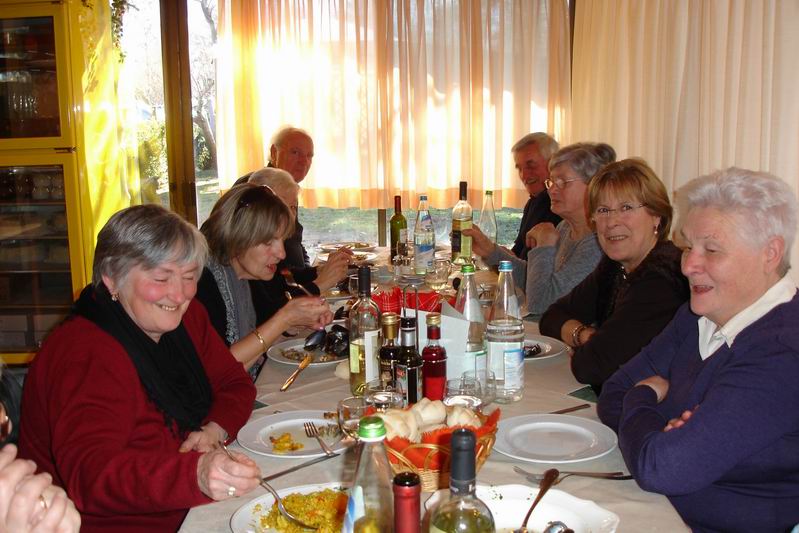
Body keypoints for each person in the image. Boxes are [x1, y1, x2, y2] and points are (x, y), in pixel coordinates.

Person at [18, 205, 261, 531]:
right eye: (161, 278)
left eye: (189, 276)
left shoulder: (188, 318)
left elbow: (235, 383)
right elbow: (91, 476)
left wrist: (214, 430)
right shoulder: (85, 352)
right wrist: (196, 474)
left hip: (188, 506)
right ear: (112, 279)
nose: (179, 294)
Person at [597, 168, 799, 532]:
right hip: (654, 508)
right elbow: (612, 394)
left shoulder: (783, 352)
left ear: (770, 253)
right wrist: (665, 434)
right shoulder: (698, 316)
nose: (688, 265)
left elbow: (664, 468)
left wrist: (643, 397)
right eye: (688, 246)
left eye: (712, 250)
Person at [539, 159, 688, 393]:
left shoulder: (663, 278)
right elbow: (551, 317)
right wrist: (583, 335)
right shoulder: (614, 266)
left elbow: (591, 366)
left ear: (656, 216)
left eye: (626, 208)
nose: (611, 222)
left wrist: (586, 343)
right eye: (603, 210)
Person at [197, 183, 333, 379]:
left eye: (282, 240)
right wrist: (283, 319)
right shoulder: (202, 283)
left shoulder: (240, 276)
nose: (281, 253)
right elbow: (218, 372)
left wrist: (289, 326)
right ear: (237, 236)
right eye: (268, 242)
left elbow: (247, 352)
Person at [465, 143, 615, 319]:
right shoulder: (565, 227)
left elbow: (540, 303)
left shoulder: (597, 244)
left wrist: (544, 246)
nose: (551, 190)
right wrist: (490, 251)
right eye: (551, 182)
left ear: (593, 186)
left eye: (562, 182)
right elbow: (535, 282)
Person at [248, 167, 350, 293]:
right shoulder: (250, 253)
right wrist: (319, 284)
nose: (292, 215)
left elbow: (284, 277)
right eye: (287, 206)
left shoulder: (272, 242)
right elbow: (273, 302)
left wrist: (319, 271)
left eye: (293, 207)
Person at [510, 132, 562, 258]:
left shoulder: (560, 207)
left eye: (531, 166)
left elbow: (531, 264)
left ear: (553, 163)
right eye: (519, 169)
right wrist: (489, 250)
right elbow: (518, 254)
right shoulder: (534, 202)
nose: (524, 175)